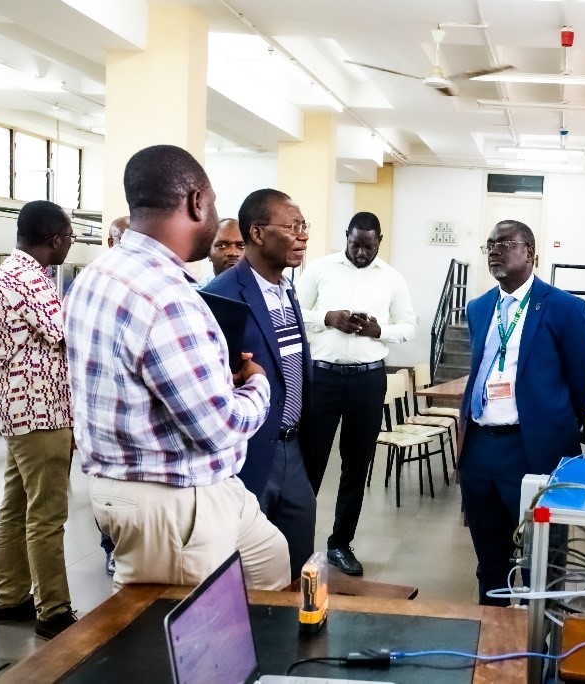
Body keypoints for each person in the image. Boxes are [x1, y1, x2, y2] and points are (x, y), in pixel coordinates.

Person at [64, 144, 290, 591]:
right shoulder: (168, 297)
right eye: (214, 205)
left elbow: (140, 379)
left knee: (271, 562)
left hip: (176, 483)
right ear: (195, 203)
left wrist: (214, 379)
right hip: (171, 499)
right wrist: (258, 386)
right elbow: (219, 427)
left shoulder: (97, 274)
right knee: (188, 643)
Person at [458, 219, 585, 606]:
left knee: (546, 560)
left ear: (531, 253)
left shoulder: (565, 308)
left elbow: (582, 378)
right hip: (481, 449)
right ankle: (494, 638)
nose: (495, 251)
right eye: (489, 245)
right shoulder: (480, 307)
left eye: (505, 243)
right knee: (489, 558)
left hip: (533, 449)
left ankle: (541, 645)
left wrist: (556, 424)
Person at [203, 189, 320, 579]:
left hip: (294, 450)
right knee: (246, 573)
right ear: (257, 233)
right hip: (248, 454)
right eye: (292, 227)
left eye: (304, 227)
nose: (302, 236)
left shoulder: (288, 291)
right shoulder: (220, 297)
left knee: (299, 563)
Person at [295, 211, 416, 576]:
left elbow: (408, 325)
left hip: (367, 380)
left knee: (356, 464)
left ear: (380, 241)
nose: (362, 252)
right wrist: (327, 318)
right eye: (355, 244)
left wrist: (379, 330)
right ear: (345, 236)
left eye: (369, 246)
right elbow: (294, 312)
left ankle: (340, 544)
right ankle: (297, 541)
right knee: (310, 463)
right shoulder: (319, 269)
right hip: (323, 377)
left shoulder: (392, 279)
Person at [0, 200, 78, 639]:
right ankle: (53, 611)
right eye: (69, 239)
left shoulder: (11, 273)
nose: (69, 246)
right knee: (47, 514)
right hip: (40, 413)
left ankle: (11, 598)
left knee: (16, 505)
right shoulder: (28, 279)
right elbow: (67, 334)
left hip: (19, 412)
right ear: (55, 239)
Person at [98, 213, 130, 576]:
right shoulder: (95, 284)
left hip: (131, 408)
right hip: (103, 407)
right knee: (107, 491)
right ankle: (109, 547)